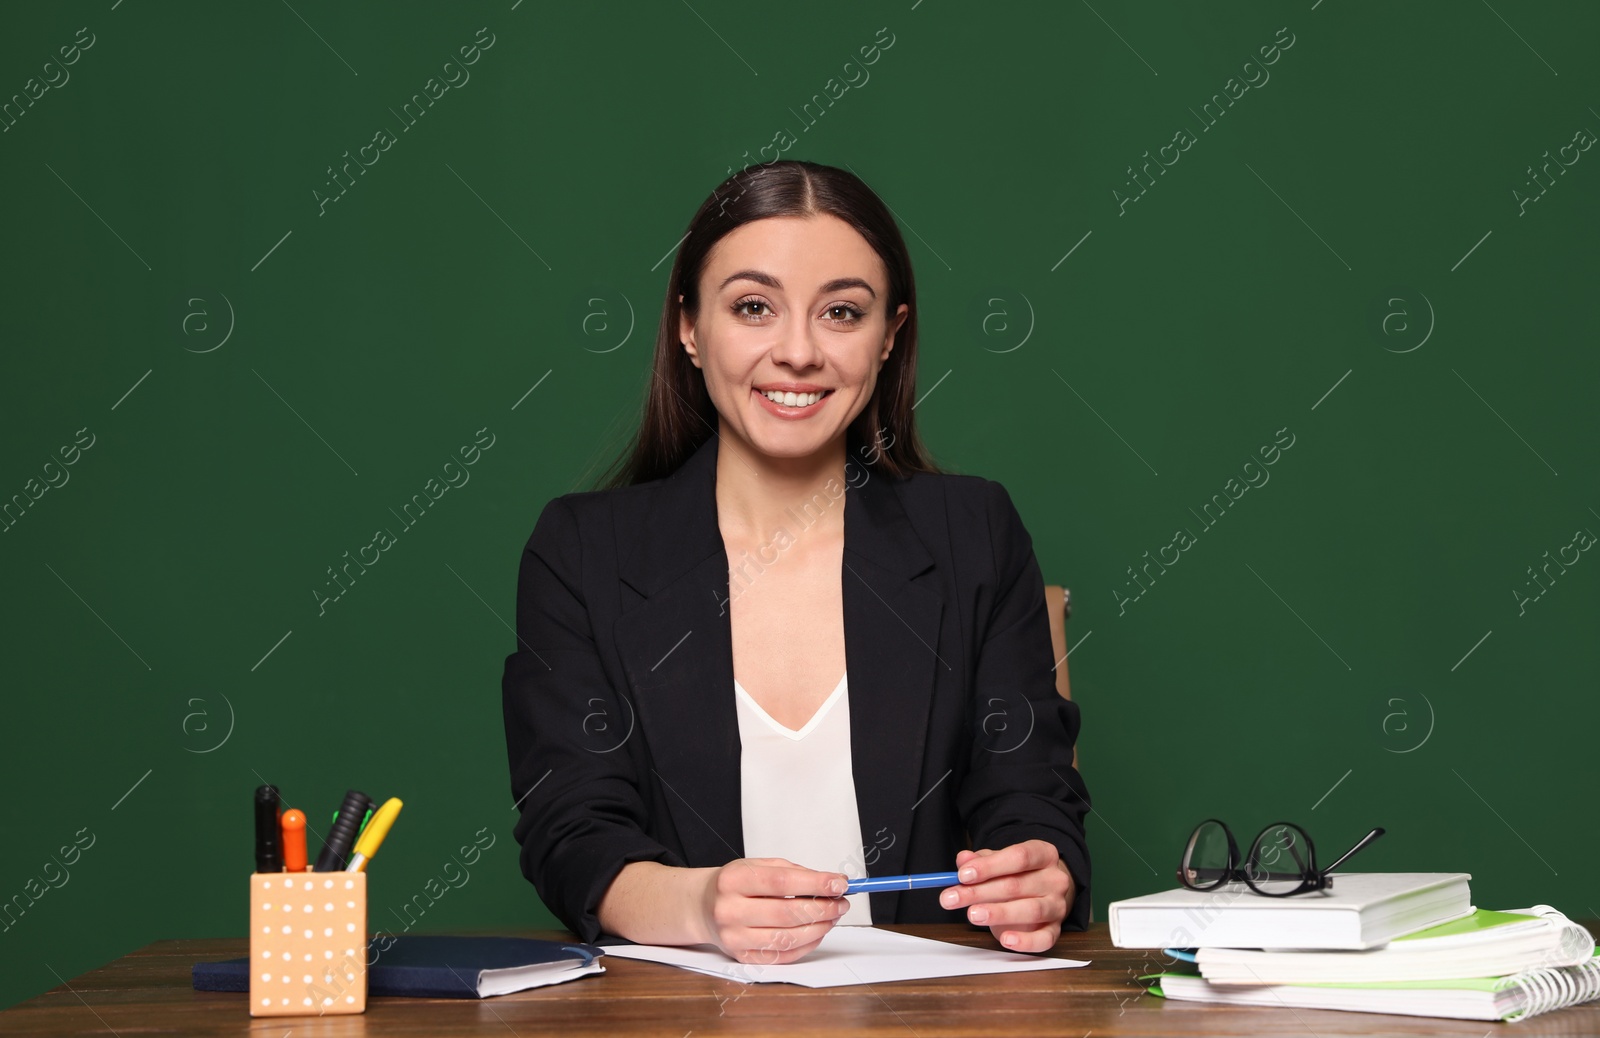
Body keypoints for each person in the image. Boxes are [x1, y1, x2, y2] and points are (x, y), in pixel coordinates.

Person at [501, 159, 1090, 965]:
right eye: (753, 307)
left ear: (890, 337)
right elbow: (573, 835)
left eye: (842, 312)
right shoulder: (582, 551)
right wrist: (704, 905)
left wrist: (1039, 877)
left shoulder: (973, 531)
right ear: (688, 328)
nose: (799, 352)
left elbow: (1032, 801)